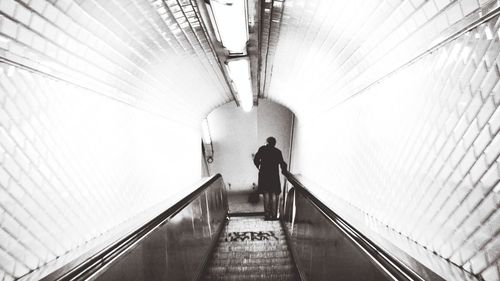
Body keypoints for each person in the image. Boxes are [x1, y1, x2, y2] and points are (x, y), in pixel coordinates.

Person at [253, 137, 287, 220]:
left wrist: (259, 166)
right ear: (274, 143)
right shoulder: (277, 152)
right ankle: (274, 215)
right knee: (274, 195)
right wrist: (284, 171)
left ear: (267, 142)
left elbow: (256, 159)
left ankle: (267, 215)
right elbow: (282, 163)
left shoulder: (262, 149)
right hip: (274, 176)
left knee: (266, 195)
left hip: (264, 175)